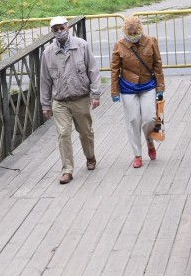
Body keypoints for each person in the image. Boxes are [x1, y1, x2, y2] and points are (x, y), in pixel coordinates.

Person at [39, 16, 101, 184]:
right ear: (52, 31)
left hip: (80, 97)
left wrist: (95, 94)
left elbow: (93, 70)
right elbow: (45, 80)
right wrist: (45, 104)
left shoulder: (81, 45)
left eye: (61, 28)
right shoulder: (48, 53)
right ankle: (67, 169)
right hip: (60, 100)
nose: (59, 31)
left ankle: (90, 156)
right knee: (63, 133)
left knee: (85, 132)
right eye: (55, 29)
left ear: (68, 27)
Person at [110, 15, 165, 169]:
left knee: (149, 118)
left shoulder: (150, 41)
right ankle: (137, 155)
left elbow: (157, 65)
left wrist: (160, 88)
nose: (133, 37)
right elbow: (115, 70)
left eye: (135, 34)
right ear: (125, 33)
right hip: (128, 86)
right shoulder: (119, 45)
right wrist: (115, 91)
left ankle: (149, 140)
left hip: (148, 84)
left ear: (140, 30)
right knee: (133, 120)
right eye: (130, 34)